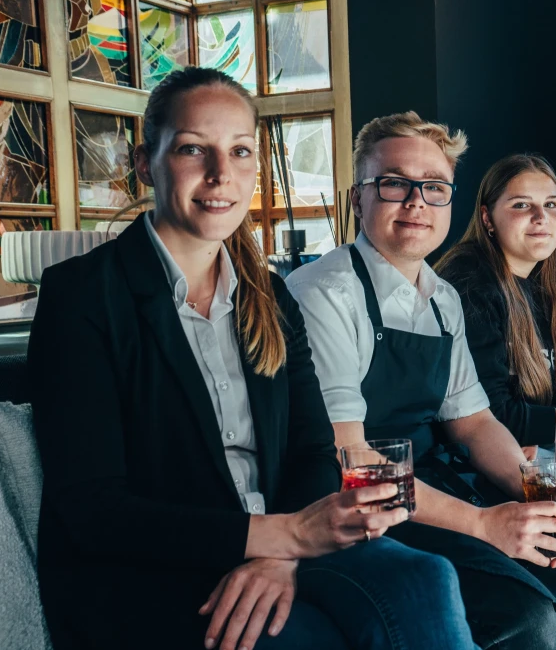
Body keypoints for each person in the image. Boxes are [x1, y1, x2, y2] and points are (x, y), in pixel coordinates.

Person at [28, 68, 477, 650]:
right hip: (153, 572)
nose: (221, 174)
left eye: (240, 151)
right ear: (145, 163)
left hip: (280, 546)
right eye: (193, 149)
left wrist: (283, 550)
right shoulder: (82, 295)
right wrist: (279, 537)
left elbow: (313, 450)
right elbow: (93, 510)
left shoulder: (270, 296)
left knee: (425, 577)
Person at [286, 112, 556, 650]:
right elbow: (351, 457)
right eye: (394, 184)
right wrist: (482, 524)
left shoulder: (442, 297)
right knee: (525, 616)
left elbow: (474, 423)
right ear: (357, 198)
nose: (416, 202)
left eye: (434, 187)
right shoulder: (325, 291)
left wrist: (539, 493)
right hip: (363, 507)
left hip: (437, 481)